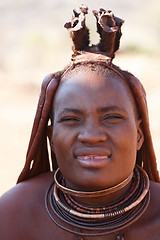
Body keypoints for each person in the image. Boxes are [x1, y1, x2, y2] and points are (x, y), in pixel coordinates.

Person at [0, 6, 160, 240]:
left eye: (111, 117)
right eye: (71, 120)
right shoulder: (12, 215)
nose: (91, 135)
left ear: (138, 134)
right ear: (52, 138)